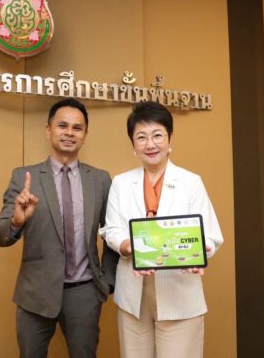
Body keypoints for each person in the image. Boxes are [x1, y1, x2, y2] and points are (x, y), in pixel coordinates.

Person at [0, 98, 118, 358]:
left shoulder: (100, 179)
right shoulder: (23, 177)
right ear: (48, 130)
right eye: (62, 126)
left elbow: (112, 233)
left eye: (77, 128)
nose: (69, 132)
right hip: (35, 294)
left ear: (85, 135)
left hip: (84, 293)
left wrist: (107, 280)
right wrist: (17, 220)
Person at [99, 101, 224, 358]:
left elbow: (211, 235)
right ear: (133, 144)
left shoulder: (190, 182)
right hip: (133, 296)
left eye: (157, 135)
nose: (150, 144)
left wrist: (199, 251)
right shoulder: (121, 183)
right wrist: (127, 246)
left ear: (169, 139)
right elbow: (111, 229)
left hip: (179, 292)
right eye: (141, 137)